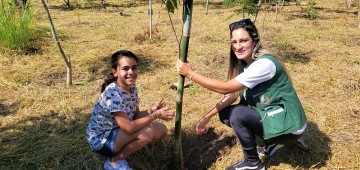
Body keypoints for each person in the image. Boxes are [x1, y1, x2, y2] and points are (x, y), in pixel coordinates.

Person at [176, 18, 307, 170]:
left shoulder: (264, 64)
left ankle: (252, 163)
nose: (238, 47)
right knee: (226, 113)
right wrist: (208, 115)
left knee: (238, 114)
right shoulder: (247, 64)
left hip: (290, 125)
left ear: (254, 40)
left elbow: (225, 88)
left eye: (243, 41)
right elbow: (231, 95)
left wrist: (190, 74)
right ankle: (272, 141)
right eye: (234, 42)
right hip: (278, 116)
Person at [86, 50, 175, 170]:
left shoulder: (131, 87)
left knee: (161, 130)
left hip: (117, 129)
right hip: (102, 140)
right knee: (147, 132)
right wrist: (155, 115)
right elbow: (128, 128)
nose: (131, 72)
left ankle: (129, 146)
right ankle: (113, 161)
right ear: (115, 72)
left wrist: (151, 111)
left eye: (134, 68)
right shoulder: (112, 94)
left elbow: (136, 115)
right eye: (125, 68)